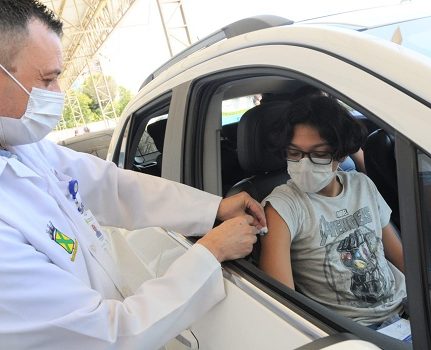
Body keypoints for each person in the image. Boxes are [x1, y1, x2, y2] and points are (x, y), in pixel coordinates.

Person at [0, 1, 266, 349]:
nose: (59, 94)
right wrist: (209, 252)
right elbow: (111, 336)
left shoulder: (23, 145)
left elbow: (114, 186)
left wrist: (212, 209)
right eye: (48, 79)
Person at [259, 95, 406, 327]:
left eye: (319, 154)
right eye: (294, 153)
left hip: (407, 308)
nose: (304, 165)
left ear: (341, 154)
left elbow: (401, 258)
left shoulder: (362, 184)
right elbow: (283, 307)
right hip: (358, 332)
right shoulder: (282, 207)